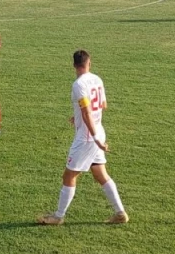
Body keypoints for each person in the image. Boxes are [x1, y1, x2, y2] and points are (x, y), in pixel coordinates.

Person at [37, 50, 128, 226]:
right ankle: (120, 213)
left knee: (69, 175)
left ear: (74, 65)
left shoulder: (78, 85)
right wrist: (79, 118)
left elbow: (86, 111)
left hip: (87, 137)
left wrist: (94, 137)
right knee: (100, 173)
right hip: (98, 130)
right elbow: (102, 105)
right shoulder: (98, 79)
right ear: (89, 63)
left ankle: (58, 216)